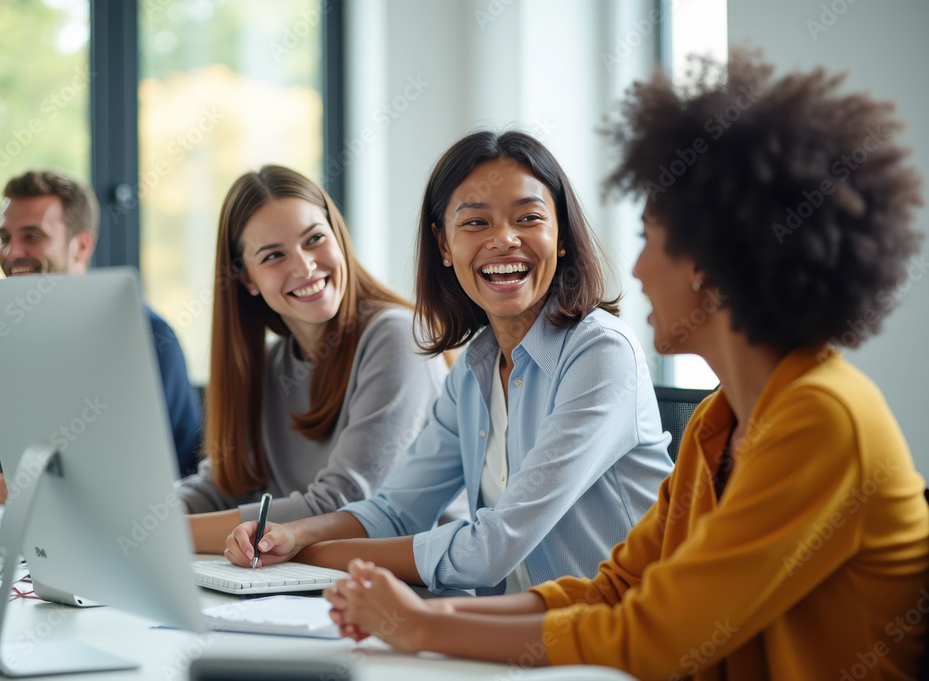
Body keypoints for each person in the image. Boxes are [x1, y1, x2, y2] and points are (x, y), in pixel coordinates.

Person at [321, 52, 929, 679]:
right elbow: (612, 590)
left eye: (647, 240)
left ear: (705, 262)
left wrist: (423, 627)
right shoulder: (716, 424)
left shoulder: (820, 418)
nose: (634, 271)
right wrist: (424, 622)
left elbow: (655, 635)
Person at [225, 132, 674, 595]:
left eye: (529, 218)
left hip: (609, 651)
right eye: (476, 222)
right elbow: (394, 510)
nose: (504, 239)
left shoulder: (600, 352)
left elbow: (489, 551)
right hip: (508, 637)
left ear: (561, 235)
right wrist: (294, 535)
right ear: (443, 244)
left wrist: (311, 554)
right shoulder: (474, 366)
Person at [177, 165, 448, 554]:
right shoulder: (273, 366)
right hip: (313, 589)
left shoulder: (399, 336)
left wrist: (159, 539)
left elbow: (342, 505)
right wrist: (142, 518)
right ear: (247, 279)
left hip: (418, 593)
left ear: (338, 236)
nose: (304, 267)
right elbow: (221, 485)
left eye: (315, 239)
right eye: (273, 256)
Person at [0, 170, 202, 504]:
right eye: (4, 237)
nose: (12, 253)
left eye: (32, 236)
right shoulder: (2, 336)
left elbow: (136, 482)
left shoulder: (146, 337)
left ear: (82, 245)